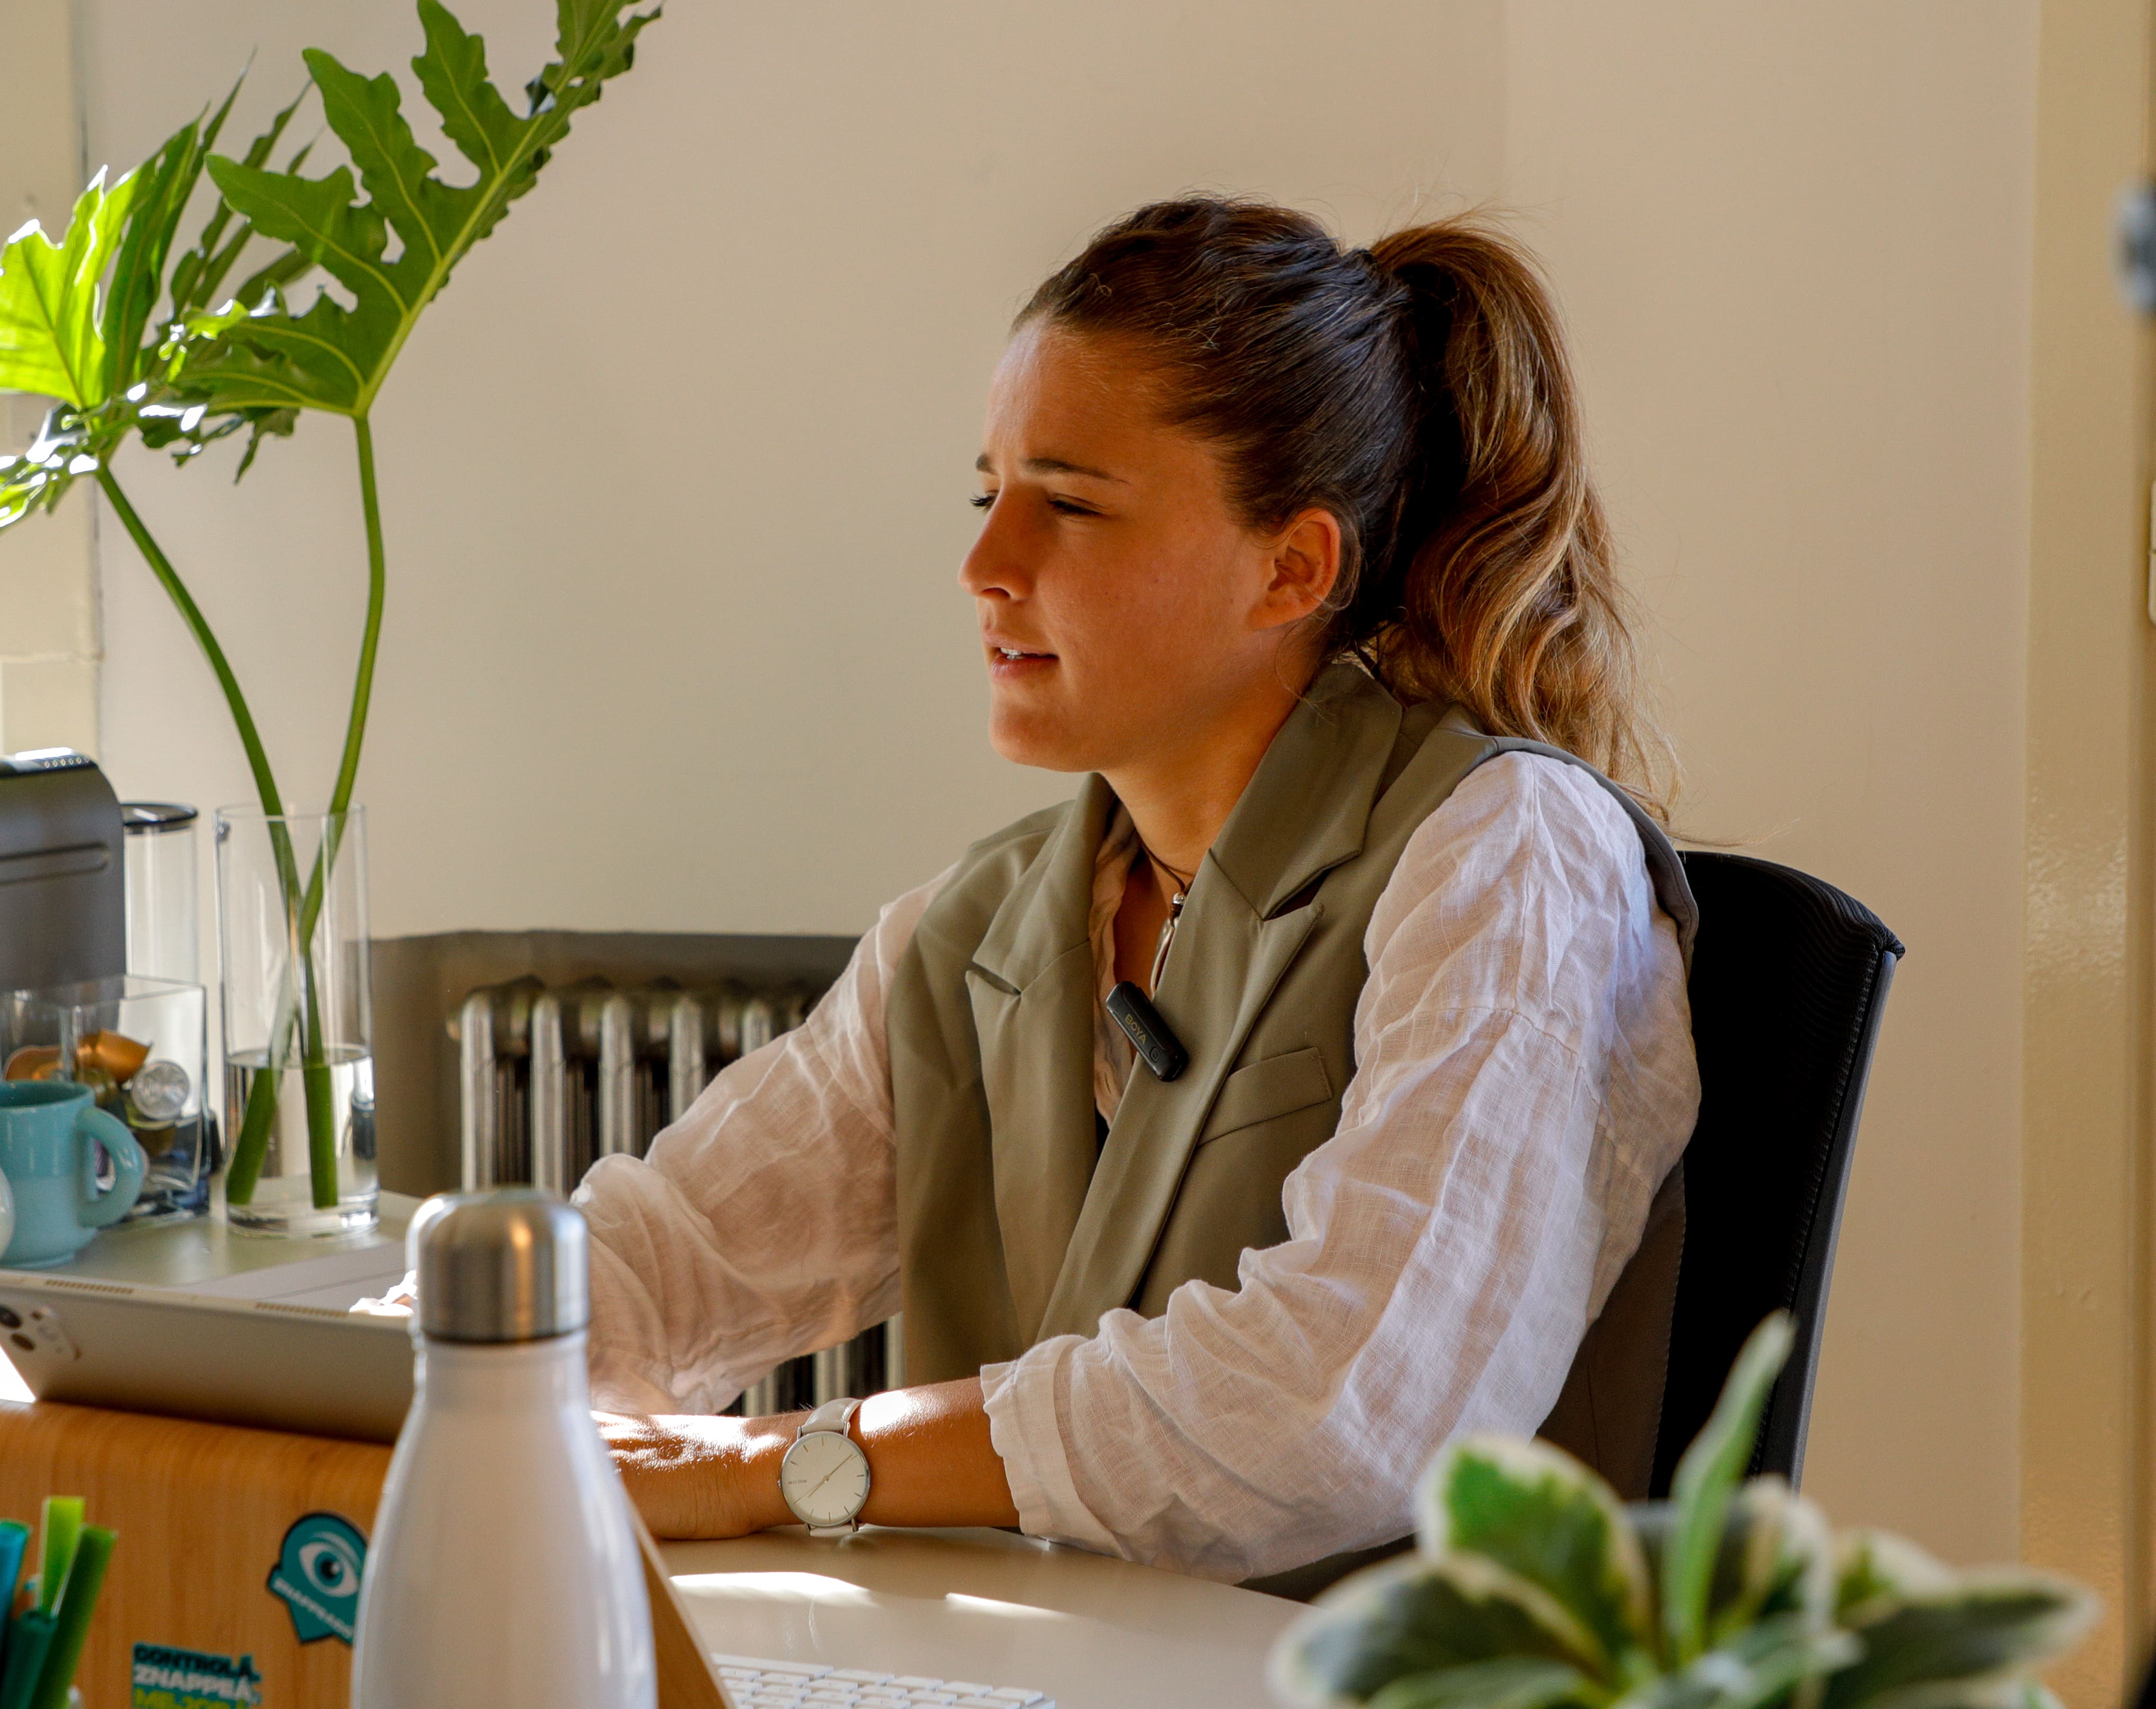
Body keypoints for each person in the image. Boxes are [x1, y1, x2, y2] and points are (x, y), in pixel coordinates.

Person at [586, 197, 1698, 1587]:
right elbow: (663, 1259)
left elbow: (1341, 1405)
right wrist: (437, 1346)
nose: (985, 568)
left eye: (1070, 505)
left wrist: (777, 1468)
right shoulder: (971, 931)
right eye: (989, 495)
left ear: (1292, 567)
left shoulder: (1513, 853)